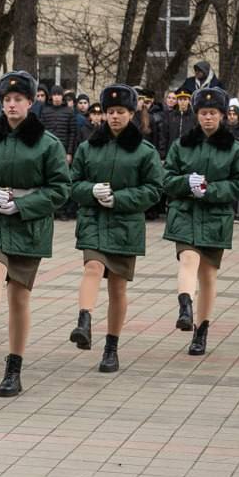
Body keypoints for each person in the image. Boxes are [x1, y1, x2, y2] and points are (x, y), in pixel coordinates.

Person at [0, 70, 71, 397]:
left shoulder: (47, 144)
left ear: (30, 102)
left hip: (28, 226)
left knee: (19, 297)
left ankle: (14, 366)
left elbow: (60, 189)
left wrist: (24, 204)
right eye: (7, 100)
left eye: (18, 100)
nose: (11, 105)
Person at [67, 84, 165, 373]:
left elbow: (154, 190)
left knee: (117, 288)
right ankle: (84, 321)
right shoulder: (88, 147)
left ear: (132, 113)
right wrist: (91, 190)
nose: (114, 117)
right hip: (94, 221)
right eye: (110, 112)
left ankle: (111, 346)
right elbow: (73, 184)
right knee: (92, 268)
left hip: (125, 225)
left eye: (121, 112)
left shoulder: (144, 151)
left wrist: (120, 198)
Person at [163, 87, 239, 356]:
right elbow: (166, 179)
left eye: (213, 113)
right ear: (196, 115)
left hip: (215, 217)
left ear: (223, 115)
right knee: (188, 259)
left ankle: (201, 330)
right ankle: (185, 307)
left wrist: (211, 190)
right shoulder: (182, 145)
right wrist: (185, 183)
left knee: (209, 275)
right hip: (185, 213)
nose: (208, 118)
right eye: (203, 113)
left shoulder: (234, 149)